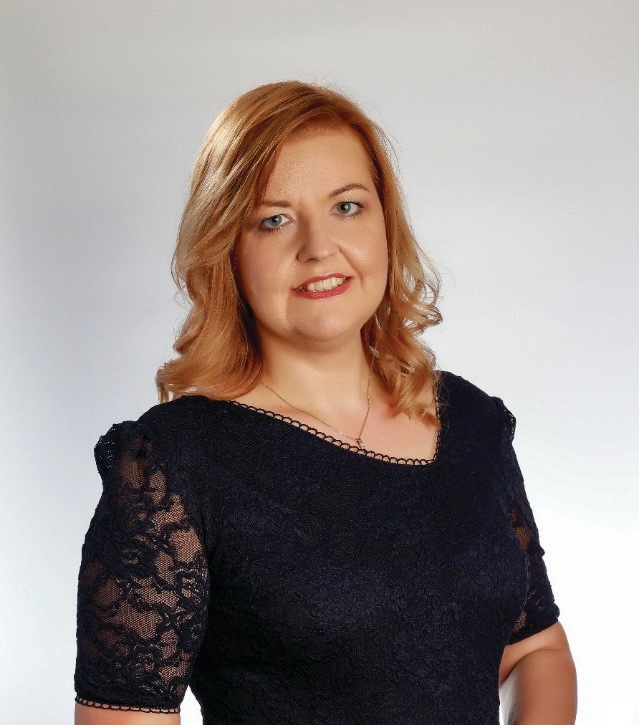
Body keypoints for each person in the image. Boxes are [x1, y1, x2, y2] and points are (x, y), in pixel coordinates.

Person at [73, 80, 577, 724]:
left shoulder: (471, 424)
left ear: (385, 224)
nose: (317, 247)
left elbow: (534, 647)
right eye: (273, 219)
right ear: (227, 248)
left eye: (346, 206)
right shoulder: (174, 463)